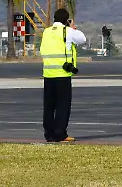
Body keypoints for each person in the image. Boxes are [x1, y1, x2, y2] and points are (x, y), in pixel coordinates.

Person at [39, 7, 87, 142]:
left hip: (48, 74)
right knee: (62, 105)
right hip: (62, 74)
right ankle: (60, 133)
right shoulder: (68, 31)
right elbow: (82, 39)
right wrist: (72, 27)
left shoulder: (47, 32)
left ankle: (49, 134)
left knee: (48, 106)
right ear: (67, 20)